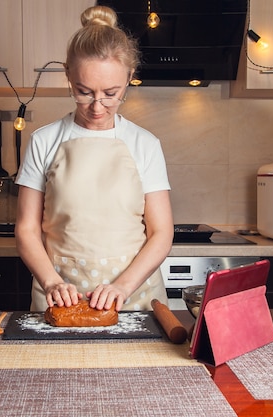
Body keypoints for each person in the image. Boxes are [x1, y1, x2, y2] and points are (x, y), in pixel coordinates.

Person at [14, 5, 173, 312]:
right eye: (84, 92)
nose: (97, 107)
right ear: (68, 76)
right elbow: (27, 229)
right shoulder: (44, 141)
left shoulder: (145, 144)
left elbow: (161, 232)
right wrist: (51, 282)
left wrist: (122, 287)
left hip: (134, 301)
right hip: (60, 302)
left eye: (111, 93)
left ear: (129, 77)